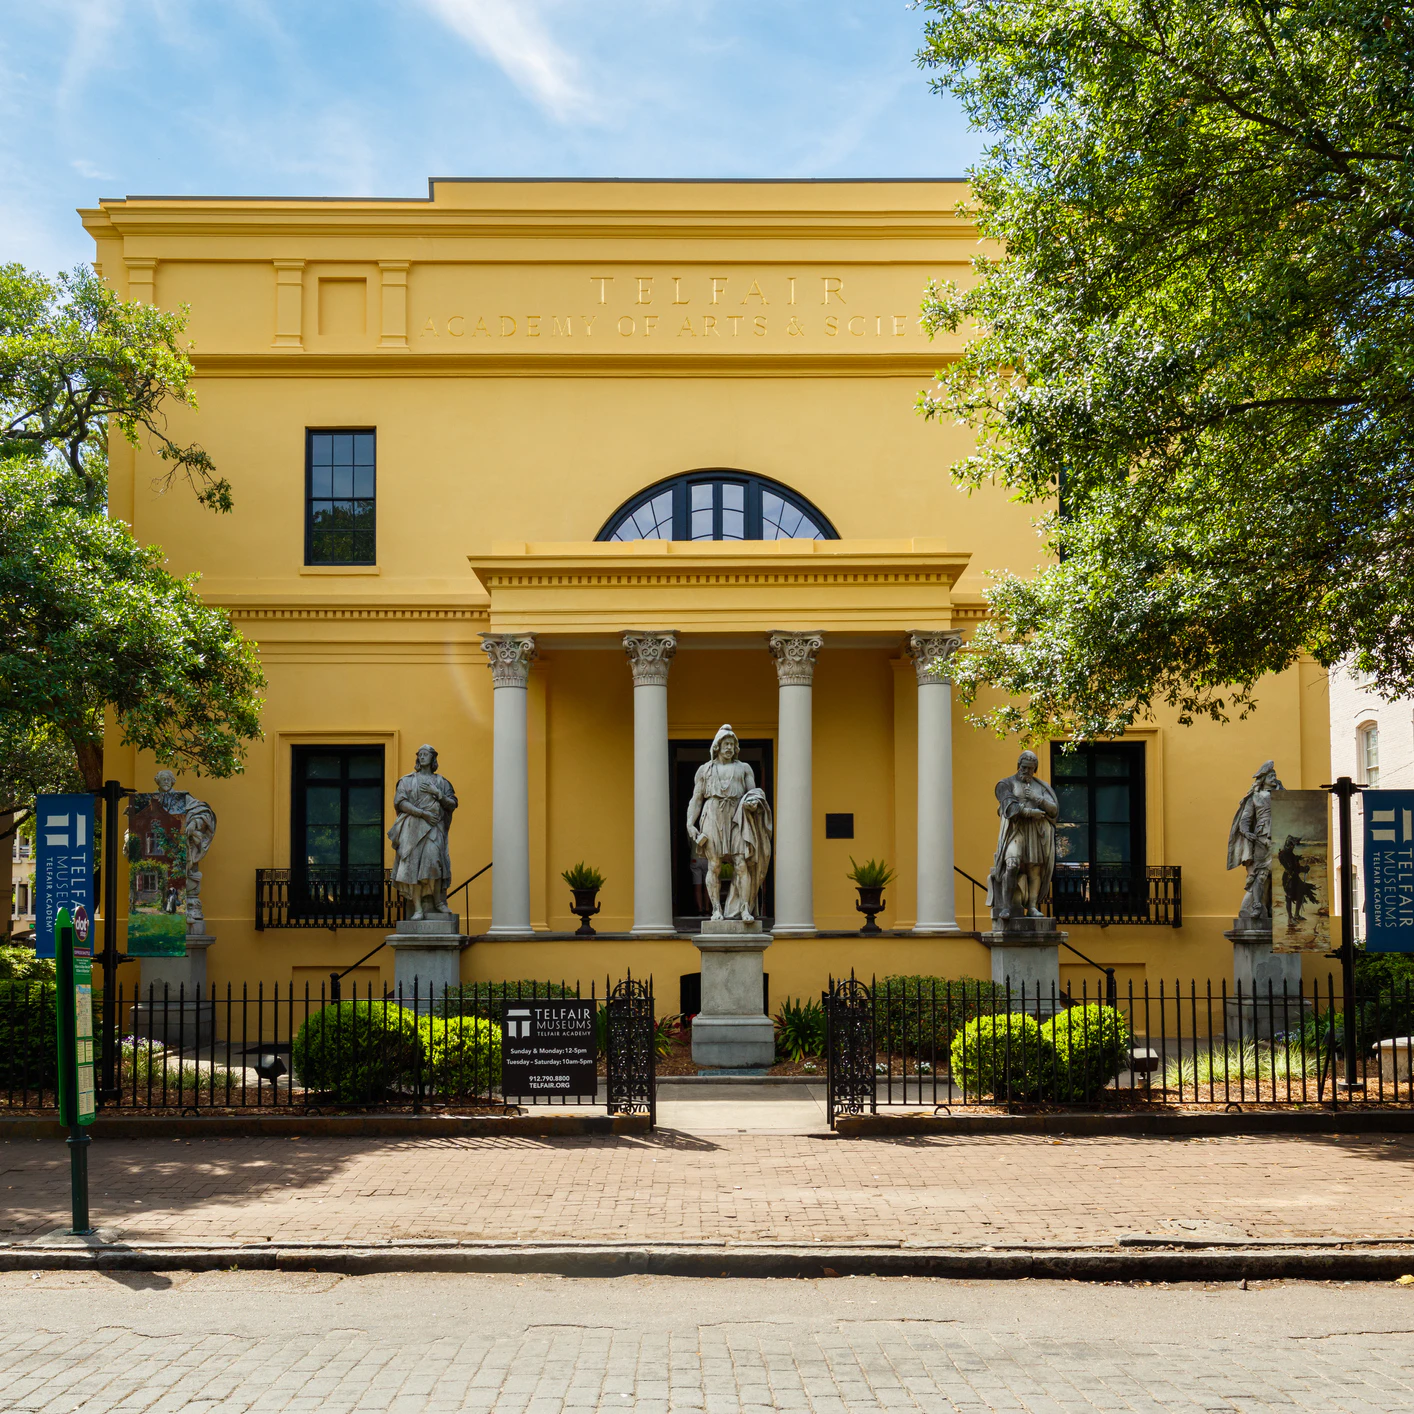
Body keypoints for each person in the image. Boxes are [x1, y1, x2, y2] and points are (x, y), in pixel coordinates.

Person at [686, 725, 756, 921]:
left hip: (737, 817)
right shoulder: (705, 770)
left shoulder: (744, 768)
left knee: (741, 864)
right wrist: (690, 824)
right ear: (717, 747)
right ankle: (716, 909)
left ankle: (744, 909)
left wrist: (752, 804)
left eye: (732, 744)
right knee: (714, 865)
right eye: (725, 744)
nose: (729, 748)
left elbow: (754, 794)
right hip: (713, 815)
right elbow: (697, 799)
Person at [986, 750, 1059, 922]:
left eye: (1030, 769)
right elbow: (1010, 809)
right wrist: (1030, 812)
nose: (1026, 771)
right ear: (1018, 765)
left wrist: (1037, 799)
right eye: (1023, 767)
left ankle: (1032, 907)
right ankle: (1006, 906)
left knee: (1035, 869)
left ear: (1035, 769)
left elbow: (1054, 810)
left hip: (1035, 832)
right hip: (1015, 831)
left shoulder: (1040, 787)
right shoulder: (1006, 784)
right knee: (1012, 864)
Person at [388, 744, 459, 920]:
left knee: (434, 863)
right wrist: (423, 814)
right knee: (412, 867)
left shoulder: (442, 782)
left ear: (433, 758)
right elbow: (401, 802)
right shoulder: (407, 780)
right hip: (412, 828)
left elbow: (453, 804)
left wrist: (438, 794)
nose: (422, 757)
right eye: (419, 754)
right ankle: (418, 908)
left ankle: (438, 901)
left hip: (434, 828)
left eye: (425, 754)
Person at [1227, 760, 1283, 927]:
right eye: (1270, 776)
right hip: (1260, 838)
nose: (1274, 778)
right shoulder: (1255, 797)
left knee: (1279, 873)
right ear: (1263, 779)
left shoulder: (1282, 795)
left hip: (1279, 837)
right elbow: (1245, 819)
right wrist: (1246, 833)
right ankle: (1257, 905)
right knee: (1260, 874)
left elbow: (1294, 806)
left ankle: (1275, 907)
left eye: (1275, 776)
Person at [1277, 834, 1320, 923]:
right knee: (1289, 897)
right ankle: (1290, 918)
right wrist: (1303, 869)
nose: (1293, 847)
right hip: (1288, 878)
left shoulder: (1291, 854)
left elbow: (1296, 866)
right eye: (1292, 845)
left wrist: (1304, 868)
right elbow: (1292, 867)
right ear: (1288, 844)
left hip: (1295, 878)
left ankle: (1296, 915)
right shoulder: (1283, 854)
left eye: (1293, 845)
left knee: (1300, 894)